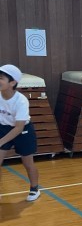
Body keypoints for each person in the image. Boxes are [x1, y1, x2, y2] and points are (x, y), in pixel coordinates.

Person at [0, 64, 40, 202]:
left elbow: (18, 128)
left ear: (12, 82)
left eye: (1, 78)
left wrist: (1, 141)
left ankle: (34, 188)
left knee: (27, 163)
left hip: (23, 131)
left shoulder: (21, 100)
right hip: (3, 128)